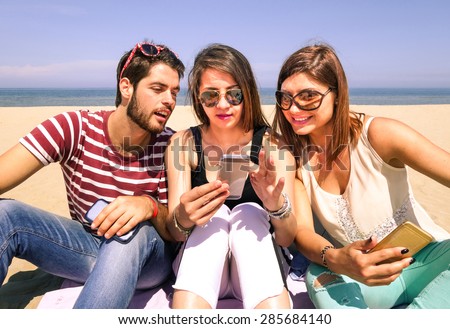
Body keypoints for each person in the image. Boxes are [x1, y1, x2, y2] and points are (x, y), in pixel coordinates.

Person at [0, 41, 185, 308]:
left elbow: (176, 230)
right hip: (85, 245)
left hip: (149, 259)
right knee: (7, 216)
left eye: (174, 92)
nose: (169, 100)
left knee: (132, 232)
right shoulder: (75, 128)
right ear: (126, 87)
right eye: (157, 89)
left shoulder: (172, 145)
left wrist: (150, 206)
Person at [272, 42, 450, 308]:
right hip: (364, 276)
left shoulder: (380, 134)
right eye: (285, 98)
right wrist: (335, 257)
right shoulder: (296, 160)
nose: (293, 109)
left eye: (308, 96)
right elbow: (304, 233)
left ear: (337, 94)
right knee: (318, 276)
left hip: (428, 261)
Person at [164, 44, 307, 309]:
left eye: (234, 95)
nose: (222, 104)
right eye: (210, 95)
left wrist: (275, 207)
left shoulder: (273, 146)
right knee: (216, 217)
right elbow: (175, 232)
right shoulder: (183, 143)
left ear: (247, 94)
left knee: (249, 211)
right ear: (197, 97)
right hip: (204, 269)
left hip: (254, 270)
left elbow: (287, 238)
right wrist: (185, 215)